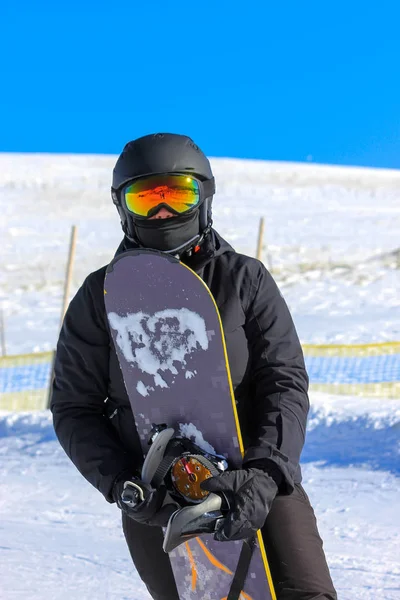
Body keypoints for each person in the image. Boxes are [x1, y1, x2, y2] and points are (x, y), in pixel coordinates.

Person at [51, 133, 337, 600]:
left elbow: (283, 382)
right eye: (146, 198)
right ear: (123, 208)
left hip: (258, 484)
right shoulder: (98, 297)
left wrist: (265, 476)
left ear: (204, 197)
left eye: (178, 194)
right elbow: (73, 407)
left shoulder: (244, 279)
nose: (163, 211)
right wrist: (125, 483)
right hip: (158, 501)